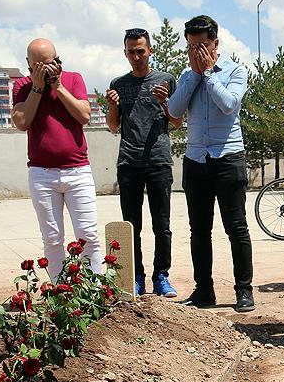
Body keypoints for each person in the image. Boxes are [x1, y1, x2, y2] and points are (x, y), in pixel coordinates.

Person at [164, 15, 255, 313]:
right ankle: (204, 290)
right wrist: (192, 76)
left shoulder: (235, 70)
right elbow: (174, 110)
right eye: (191, 46)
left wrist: (207, 74)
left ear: (216, 43)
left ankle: (244, 290)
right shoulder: (187, 74)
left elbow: (229, 104)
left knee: (236, 227)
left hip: (228, 158)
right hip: (195, 160)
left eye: (202, 45)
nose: (197, 52)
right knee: (199, 230)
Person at [12, 38, 102, 278]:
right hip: (42, 173)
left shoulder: (73, 79)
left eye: (49, 63)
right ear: (29, 66)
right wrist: (38, 88)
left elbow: (84, 116)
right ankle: (60, 291)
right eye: (37, 66)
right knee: (52, 238)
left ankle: (95, 289)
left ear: (58, 60)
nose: (44, 70)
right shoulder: (22, 86)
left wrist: (58, 86)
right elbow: (21, 122)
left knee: (88, 234)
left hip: (78, 170)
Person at [106, 28, 183, 297]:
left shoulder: (166, 80)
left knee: (162, 225)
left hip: (159, 161)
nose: (136, 56)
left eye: (141, 50)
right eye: (131, 51)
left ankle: (161, 276)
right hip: (128, 163)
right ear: (125, 53)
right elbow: (114, 127)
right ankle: (136, 277)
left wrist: (165, 103)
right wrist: (112, 105)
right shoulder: (118, 84)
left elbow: (177, 121)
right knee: (131, 225)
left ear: (150, 50)